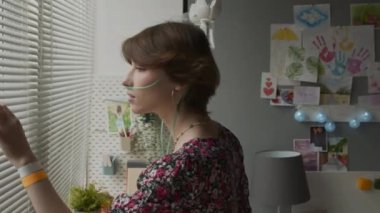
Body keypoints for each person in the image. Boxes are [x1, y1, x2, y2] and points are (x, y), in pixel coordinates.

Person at [0, 22, 251, 213]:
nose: (125, 79)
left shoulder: (176, 171)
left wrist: (25, 159)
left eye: (140, 68)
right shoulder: (225, 140)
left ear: (181, 79)